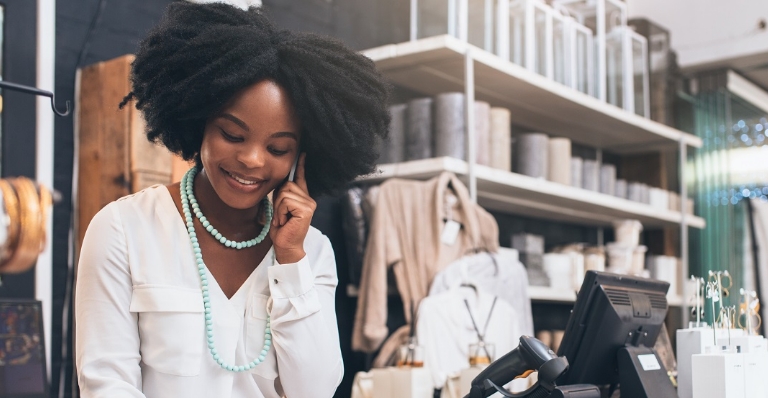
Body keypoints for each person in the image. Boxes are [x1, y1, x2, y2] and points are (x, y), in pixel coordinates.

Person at [74, 3, 390, 398]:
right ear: (199, 120)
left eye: (277, 148)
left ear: (300, 159)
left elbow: (314, 391)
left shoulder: (312, 252)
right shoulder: (122, 229)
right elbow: (107, 385)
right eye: (233, 134)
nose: (252, 160)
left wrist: (291, 259)